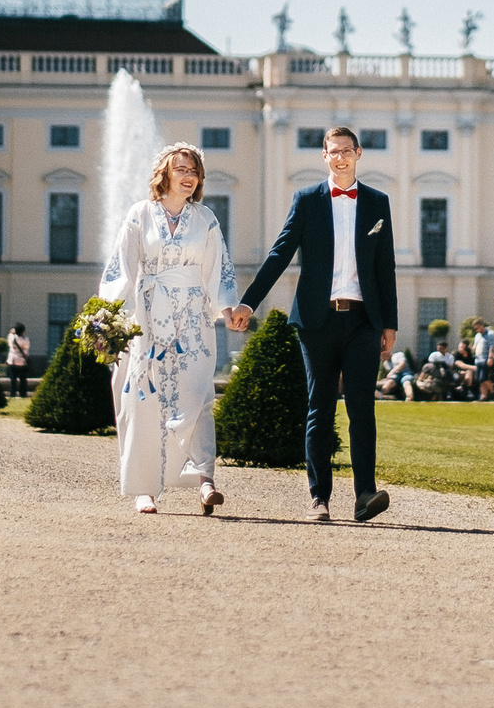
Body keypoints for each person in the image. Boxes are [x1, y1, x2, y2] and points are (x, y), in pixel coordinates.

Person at [227, 126, 397, 523]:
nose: (340, 158)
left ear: (358, 154)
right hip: (317, 322)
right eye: (332, 152)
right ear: (324, 156)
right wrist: (249, 302)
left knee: (362, 410)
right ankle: (318, 498)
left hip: (363, 321)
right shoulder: (307, 201)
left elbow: (384, 266)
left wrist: (389, 322)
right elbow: (280, 252)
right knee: (319, 408)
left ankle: (364, 495)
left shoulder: (377, 202)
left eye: (346, 151)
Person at [99, 142, 238, 516]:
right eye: (181, 170)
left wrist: (227, 307)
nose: (189, 177)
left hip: (193, 321)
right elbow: (122, 268)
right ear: (165, 174)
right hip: (148, 319)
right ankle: (146, 489)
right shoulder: (140, 215)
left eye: (194, 171)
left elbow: (218, 268)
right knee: (145, 400)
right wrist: (106, 314)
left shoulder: (207, 219)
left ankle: (205, 479)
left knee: (198, 395)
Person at [4, 323, 30, 398]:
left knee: (13, 379)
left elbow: (10, 336)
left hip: (13, 360)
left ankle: (13, 393)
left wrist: (12, 332)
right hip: (23, 361)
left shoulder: (12, 338)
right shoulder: (26, 339)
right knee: (23, 379)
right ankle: (23, 394)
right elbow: (27, 348)